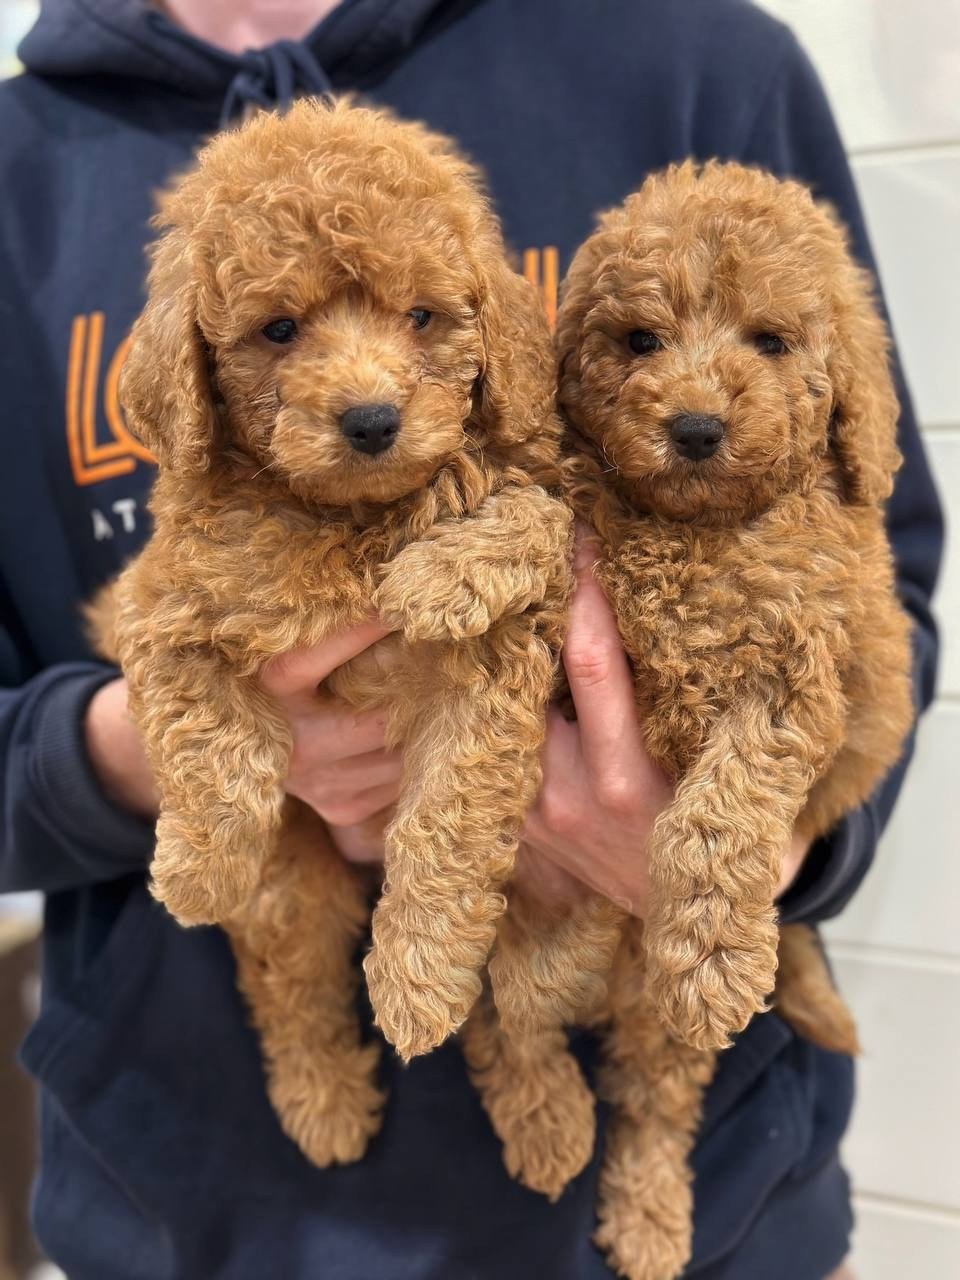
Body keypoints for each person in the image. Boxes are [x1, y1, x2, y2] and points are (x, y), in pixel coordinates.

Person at [0, 1, 942, 1277]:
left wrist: (762, 842)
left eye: (422, 322)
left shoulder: (700, 61)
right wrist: (133, 754)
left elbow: (880, 562)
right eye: (278, 331)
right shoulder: (21, 162)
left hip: (722, 1201)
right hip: (176, 1207)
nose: (369, 381)